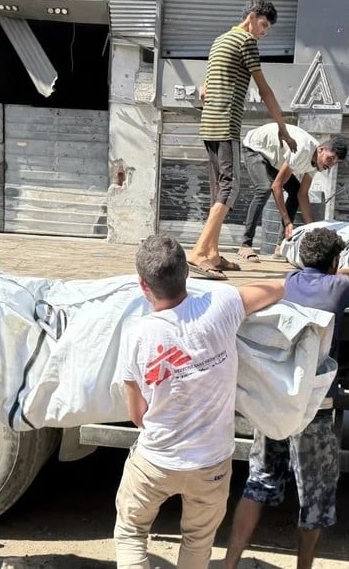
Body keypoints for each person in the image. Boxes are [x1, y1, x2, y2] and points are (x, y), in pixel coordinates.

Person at [224, 228, 349, 569]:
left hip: (276, 400)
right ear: (335, 261)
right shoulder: (341, 288)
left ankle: (230, 562)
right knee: (314, 495)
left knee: (258, 481)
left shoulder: (289, 282)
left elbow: (331, 275)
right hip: (314, 408)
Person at [114, 234, 285, 568]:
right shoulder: (221, 305)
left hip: (156, 461)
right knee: (198, 541)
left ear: (143, 286)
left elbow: (137, 415)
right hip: (211, 464)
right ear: (187, 273)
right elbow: (273, 290)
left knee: (131, 533)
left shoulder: (136, 335)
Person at [188, 0, 298, 281]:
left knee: (219, 189)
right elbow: (264, 91)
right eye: (263, 25)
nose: (264, 32)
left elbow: (205, 88)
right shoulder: (246, 41)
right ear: (251, 18)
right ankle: (198, 252)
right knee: (231, 186)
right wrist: (283, 128)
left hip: (208, 124)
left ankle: (213, 253)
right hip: (226, 123)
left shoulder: (220, 40)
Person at [236, 125, 348, 263]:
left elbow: (302, 194)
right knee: (264, 189)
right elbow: (277, 186)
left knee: (295, 191)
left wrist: (312, 230)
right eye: (330, 158)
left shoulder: (317, 164)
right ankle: (245, 245)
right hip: (255, 148)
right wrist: (287, 221)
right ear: (321, 150)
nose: (330, 165)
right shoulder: (303, 150)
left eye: (334, 163)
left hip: (274, 158)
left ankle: (281, 246)